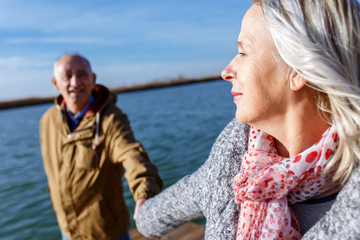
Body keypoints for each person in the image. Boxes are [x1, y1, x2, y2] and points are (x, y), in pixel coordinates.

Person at [136, 0, 360, 239]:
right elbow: (155, 216)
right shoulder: (232, 164)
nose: (226, 71)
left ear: (298, 70)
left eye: (243, 51)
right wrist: (142, 212)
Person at [39, 54, 163, 240]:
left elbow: (131, 154)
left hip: (107, 231)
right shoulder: (47, 121)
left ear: (93, 79)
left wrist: (145, 192)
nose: (75, 82)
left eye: (82, 74)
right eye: (67, 76)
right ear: (56, 83)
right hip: (68, 229)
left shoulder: (111, 119)